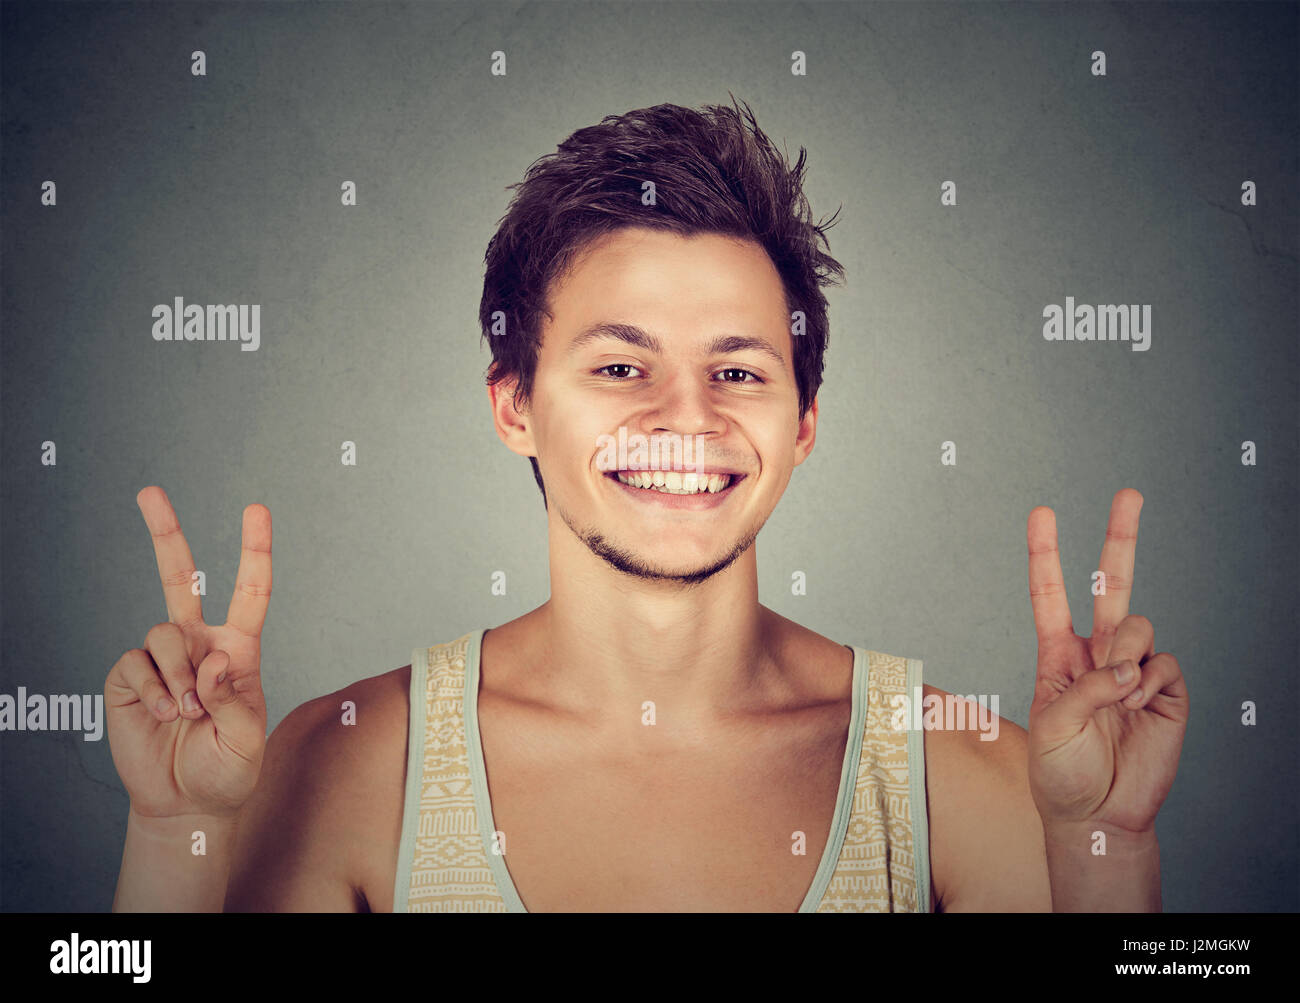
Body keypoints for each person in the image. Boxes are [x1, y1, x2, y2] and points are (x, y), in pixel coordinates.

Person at [107, 98, 1188, 912]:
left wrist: (1109, 853)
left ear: (802, 426)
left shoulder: (964, 769)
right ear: (515, 404)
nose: (687, 416)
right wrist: (173, 834)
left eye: (740, 370)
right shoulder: (343, 763)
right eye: (621, 368)